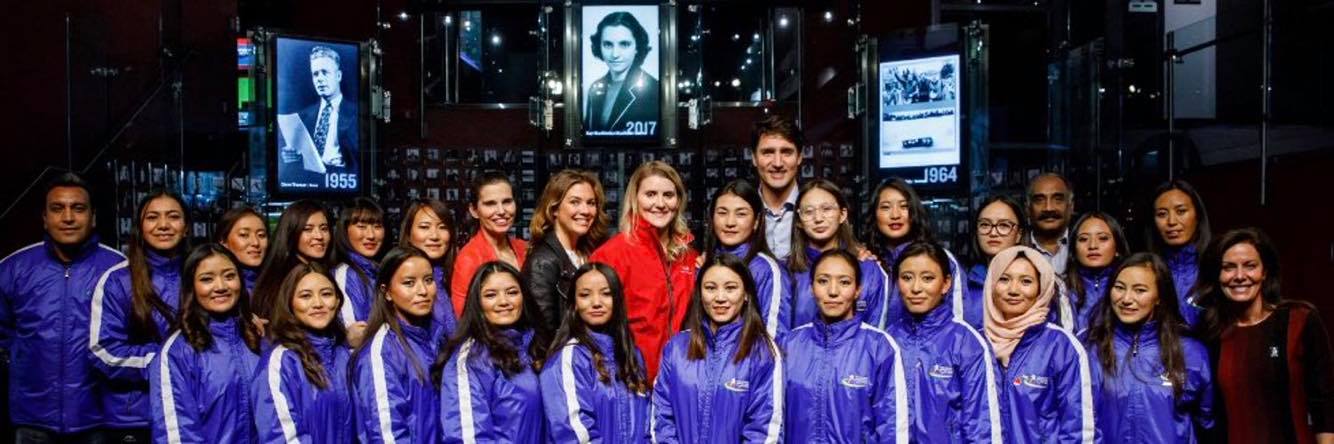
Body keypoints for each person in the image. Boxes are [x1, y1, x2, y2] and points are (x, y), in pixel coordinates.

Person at [0, 173, 124, 442]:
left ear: (92, 217)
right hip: (32, 419)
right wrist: (18, 360)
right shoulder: (13, 268)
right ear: (45, 218)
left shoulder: (119, 269)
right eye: (57, 209)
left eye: (78, 208)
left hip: (99, 418)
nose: (68, 217)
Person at [1196, 228, 1334, 443]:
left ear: (1265, 272)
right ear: (1217, 275)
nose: (1240, 276)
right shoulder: (1209, 333)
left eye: (1250, 266)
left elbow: (1324, 404)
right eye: (1228, 268)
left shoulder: (1299, 321)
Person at [88, 190, 189, 441]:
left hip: (190, 412)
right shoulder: (118, 279)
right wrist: (166, 362)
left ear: (186, 227)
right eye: (152, 217)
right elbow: (103, 352)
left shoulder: (203, 275)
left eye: (173, 217)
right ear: (140, 228)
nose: (163, 225)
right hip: (134, 418)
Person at [651, 255, 783, 443]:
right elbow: (661, 416)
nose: (720, 298)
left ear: (746, 294)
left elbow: (763, 429)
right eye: (710, 288)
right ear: (700, 293)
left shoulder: (763, 353)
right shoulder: (676, 348)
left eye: (730, 288)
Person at [1086, 252, 1215, 442]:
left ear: (1159, 297)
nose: (1126, 298)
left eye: (1140, 290)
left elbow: (1206, 423)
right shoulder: (1091, 347)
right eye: (1119, 288)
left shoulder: (1191, 353)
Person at [783, 249, 908, 442]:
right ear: (811, 287)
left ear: (858, 289)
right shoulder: (788, 345)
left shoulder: (880, 347)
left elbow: (892, 427)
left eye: (844, 282)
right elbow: (773, 421)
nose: (833, 291)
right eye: (823, 281)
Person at [590, 160, 699, 380]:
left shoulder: (691, 257)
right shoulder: (610, 255)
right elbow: (593, 328)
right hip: (631, 379)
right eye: (650, 194)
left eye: (668, 195)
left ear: (678, 202)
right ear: (635, 199)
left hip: (680, 378)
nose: (660, 203)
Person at [886, 242, 1003, 442]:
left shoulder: (967, 343)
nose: (916, 288)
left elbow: (982, 424)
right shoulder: (887, 341)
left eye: (928, 278)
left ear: (946, 284)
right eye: (906, 278)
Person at [982, 245, 1099, 443]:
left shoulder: (1061, 347)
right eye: (1003, 279)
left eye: (1026, 281)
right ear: (991, 284)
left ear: (1041, 288)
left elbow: (1078, 428)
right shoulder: (975, 344)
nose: (1013, 290)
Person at [149, 244, 263, 444]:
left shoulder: (257, 338)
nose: (220, 286)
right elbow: (177, 434)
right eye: (206, 279)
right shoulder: (177, 352)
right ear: (191, 287)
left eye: (229, 276)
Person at [436, 262, 550, 443]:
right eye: (491, 295)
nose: (504, 301)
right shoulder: (471, 358)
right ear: (478, 303)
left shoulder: (533, 346)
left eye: (512, 292)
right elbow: (466, 437)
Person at [539, 263, 652, 443]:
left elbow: (647, 426)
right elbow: (572, 433)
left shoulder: (633, 355)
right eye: (585, 295)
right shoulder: (569, 358)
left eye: (606, 294)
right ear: (574, 304)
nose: (596, 302)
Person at [251, 263, 355, 443]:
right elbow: (280, 436)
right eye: (305, 296)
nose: (318, 304)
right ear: (290, 303)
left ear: (338, 301)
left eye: (326, 294)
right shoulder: (280, 361)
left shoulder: (344, 355)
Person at [351, 247, 442, 443]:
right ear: (387, 292)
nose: (423, 291)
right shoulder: (381, 352)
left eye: (428, 280)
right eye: (409, 283)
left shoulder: (437, 336)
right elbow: (386, 432)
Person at [787, 179, 891, 329]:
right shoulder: (785, 271)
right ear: (798, 221)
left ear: (842, 215)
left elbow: (876, 335)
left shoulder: (868, 269)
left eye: (827, 209)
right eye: (809, 211)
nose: (818, 218)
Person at [866, 177, 967, 328]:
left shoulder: (941, 259)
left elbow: (960, 322)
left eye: (904, 206)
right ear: (874, 214)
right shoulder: (867, 262)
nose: (895, 215)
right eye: (886, 207)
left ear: (914, 212)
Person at [702, 179, 792, 337]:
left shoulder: (767, 270)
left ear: (756, 221)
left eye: (741, 214)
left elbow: (774, 338)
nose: (730, 222)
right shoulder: (703, 265)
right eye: (722, 213)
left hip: (749, 360)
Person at [522, 170, 610, 330]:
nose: (585, 211)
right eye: (575, 202)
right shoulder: (542, 262)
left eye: (591, 203)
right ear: (554, 208)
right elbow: (543, 334)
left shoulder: (592, 253)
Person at [451, 172, 528, 316]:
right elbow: (464, 318)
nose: (501, 211)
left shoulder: (524, 248)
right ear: (474, 210)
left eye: (507, 202)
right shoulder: (468, 258)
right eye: (490, 203)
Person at [280, 45, 358, 178]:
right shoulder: (302, 117)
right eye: (315, 74)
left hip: (342, 180)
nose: (319, 79)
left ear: (338, 75)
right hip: (306, 182)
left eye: (325, 72)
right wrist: (288, 156)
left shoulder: (357, 114)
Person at [252, 200, 332, 320]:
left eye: (324, 229)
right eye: (308, 229)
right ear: (291, 232)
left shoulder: (322, 270)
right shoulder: (286, 277)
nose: (319, 236)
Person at [1147, 180, 1212, 329]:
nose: (1171, 221)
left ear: (1197, 216)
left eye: (1181, 211)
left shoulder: (1217, 267)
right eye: (1162, 214)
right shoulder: (1144, 270)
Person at [583, 11, 660, 135]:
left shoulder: (654, 89)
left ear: (637, 47)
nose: (615, 54)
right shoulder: (594, 88)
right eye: (608, 44)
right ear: (599, 46)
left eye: (624, 44)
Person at [964, 195, 1029, 330]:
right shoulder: (963, 285)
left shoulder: (1039, 283)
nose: (993, 232)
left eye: (1004, 225)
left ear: (1018, 234)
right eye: (985, 225)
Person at [398, 199, 459, 340]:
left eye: (443, 227)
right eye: (424, 227)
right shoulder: (396, 279)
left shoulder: (454, 275)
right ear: (409, 233)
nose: (434, 236)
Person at [1064, 212, 1130, 337]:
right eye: (1083, 239)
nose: (1093, 246)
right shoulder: (1060, 292)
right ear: (1074, 249)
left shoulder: (1131, 290)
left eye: (1103, 238)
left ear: (1117, 247)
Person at [332, 197, 385, 347]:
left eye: (377, 226)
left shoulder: (379, 270)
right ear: (345, 230)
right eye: (361, 226)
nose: (371, 235)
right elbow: (357, 336)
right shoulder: (345, 275)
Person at [750, 114, 803, 261]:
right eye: (768, 152)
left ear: (799, 157)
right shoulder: (742, 211)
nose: (778, 163)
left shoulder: (817, 210)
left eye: (786, 152)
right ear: (754, 158)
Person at [1026, 173, 1074, 276]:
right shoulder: (1015, 249)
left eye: (1058, 200)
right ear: (1028, 209)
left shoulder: (1085, 246)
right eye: (1039, 200)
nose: (1048, 208)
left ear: (1071, 207)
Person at [215, 206, 269, 292]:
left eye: (261, 235)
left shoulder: (276, 282)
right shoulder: (217, 285)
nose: (255, 243)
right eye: (244, 235)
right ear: (223, 242)